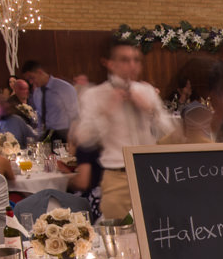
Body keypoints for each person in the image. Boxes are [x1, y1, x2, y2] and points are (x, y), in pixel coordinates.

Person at [72, 38, 176, 220]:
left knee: (158, 233)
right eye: (125, 60)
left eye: (136, 60)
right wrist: (105, 113)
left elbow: (169, 132)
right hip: (118, 178)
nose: (133, 65)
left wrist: (150, 110)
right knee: (122, 238)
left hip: (152, 175)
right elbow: (84, 138)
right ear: (110, 64)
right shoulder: (95, 95)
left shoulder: (147, 92)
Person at [21, 60, 80, 141]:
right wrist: (39, 135)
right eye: (28, 80)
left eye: (32, 78)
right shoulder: (37, 92)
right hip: (47, 134)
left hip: (65, 132)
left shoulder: (64, 88)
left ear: (40, 72)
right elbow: (40, 116)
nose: (31, 82)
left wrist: (74, 137)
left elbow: (74, 114)